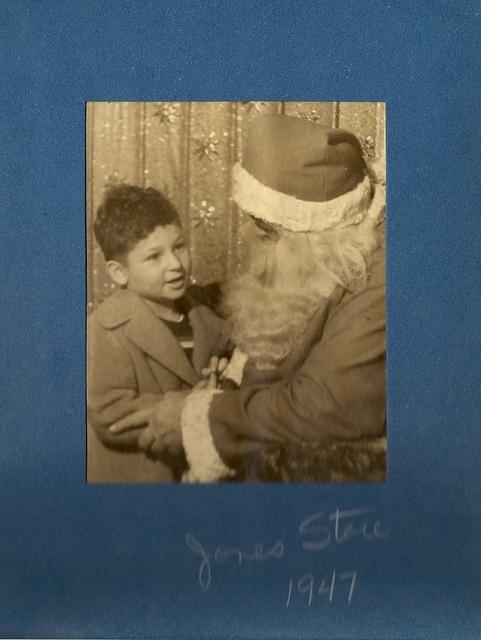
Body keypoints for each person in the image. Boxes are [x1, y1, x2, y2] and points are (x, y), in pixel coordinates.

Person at [113, 114, 387, 483]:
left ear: (319, 237)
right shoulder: (323, 262)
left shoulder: (377, 282)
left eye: (265, 232)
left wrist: (196, 416)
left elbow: (329, 407)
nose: (251, 247)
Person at [87, 184, 229, 483]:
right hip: (143, 482)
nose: (175, 264)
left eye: (179, 246)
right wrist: (194, 410)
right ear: (118, 272)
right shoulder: (106, 329)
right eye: (154, 257)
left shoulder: (208, 318)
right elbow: (111, 414)